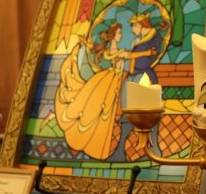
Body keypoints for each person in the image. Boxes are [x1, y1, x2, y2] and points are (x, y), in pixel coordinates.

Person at [55, 23, 155, 160]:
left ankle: (103, 145)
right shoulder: (115, 51)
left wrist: (88, 44)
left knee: (103, 110)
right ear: (113, 36)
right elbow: (130, 55)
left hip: (110, 77)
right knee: (105, 109)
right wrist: (147, 53)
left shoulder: (110, 51)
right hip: (113, 78)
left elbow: (97, 49)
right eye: (119, 33)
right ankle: (101, 146)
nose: (121, 36)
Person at [128, 13, 164, 83]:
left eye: (135, 26)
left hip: (144, 75)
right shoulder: (141, 39)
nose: (133, 30)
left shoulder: (154, 38)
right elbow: (132, 57)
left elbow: (143, 61)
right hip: (135, 74)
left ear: (142, 25)